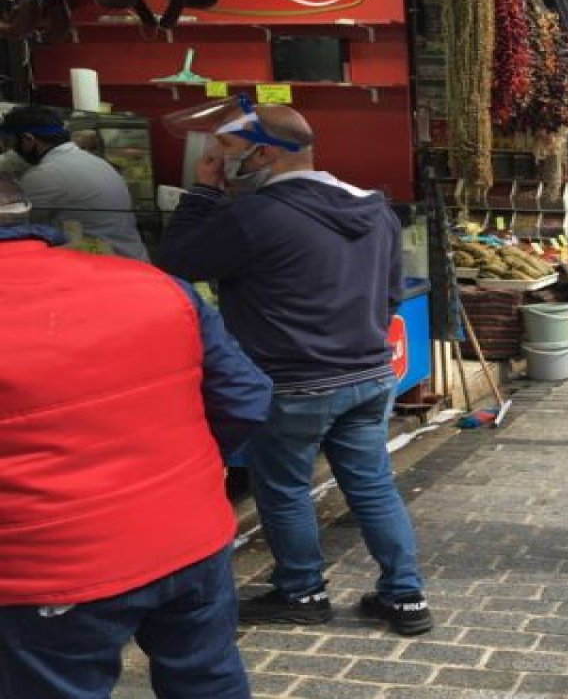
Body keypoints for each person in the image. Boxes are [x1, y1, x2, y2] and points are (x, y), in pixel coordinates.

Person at [157, 103, 432, 636]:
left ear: (263, 153)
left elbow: (176, 263)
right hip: (369, 375)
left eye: (229, 151)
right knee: (372, 485)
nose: (219, 159)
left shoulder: (253, 216)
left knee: (282, 488)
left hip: (292, 382)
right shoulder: (376, 209)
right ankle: (405, 597)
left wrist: (204, 191)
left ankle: (302, 590)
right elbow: (391, 294)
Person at [0, 176, 272, 698]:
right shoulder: (154, 284)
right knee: (207, 679)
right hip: (189, 536)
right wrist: (190, 463)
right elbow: (246, 397)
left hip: (50, 568)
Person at [0, 105, 148, 261]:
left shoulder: (45, 175)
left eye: (10, 143)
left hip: (103, 267)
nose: (11, 150)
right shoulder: (92, 161)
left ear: (28, 140)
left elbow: (11, 224)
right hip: (130, 259)